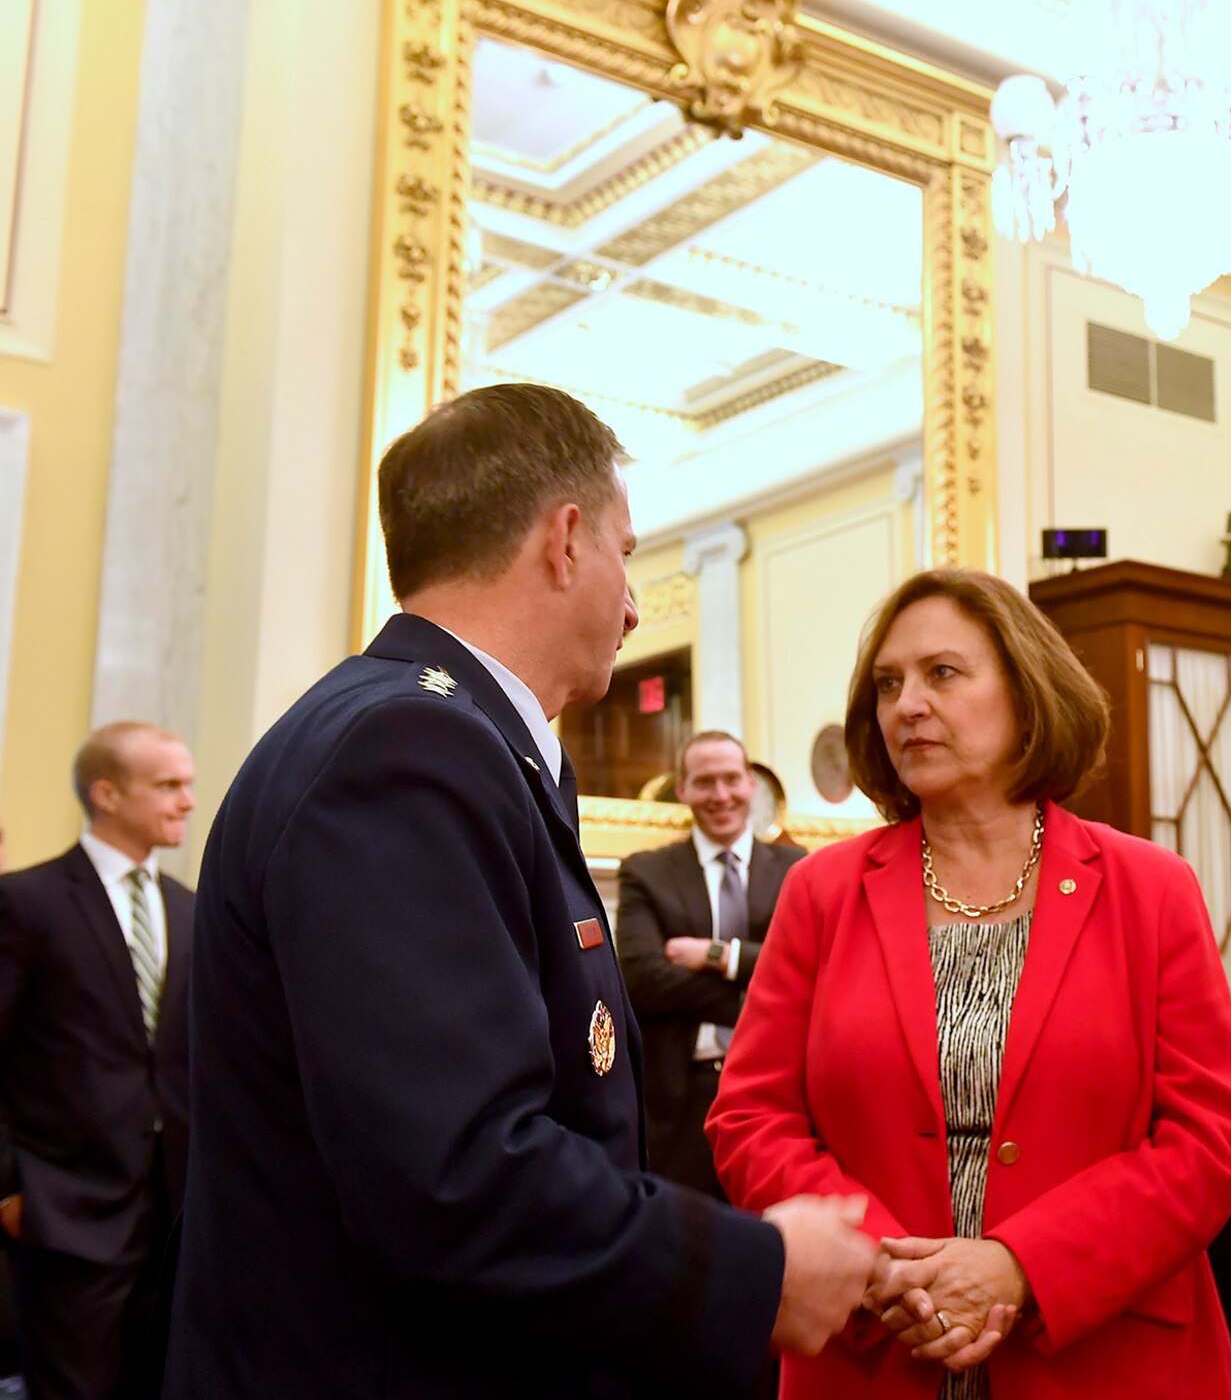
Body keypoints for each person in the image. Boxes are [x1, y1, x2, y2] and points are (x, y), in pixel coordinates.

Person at [164, 383, 874, 1400]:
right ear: (566, 539)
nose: (632, 605)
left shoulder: (435, 735)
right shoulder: (409, 747)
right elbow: (455, 1171)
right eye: (627, 554)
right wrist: (752, 1271)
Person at [707, 568, 1231, 1400]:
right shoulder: (821, 891)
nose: (907, 705)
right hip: (876, 1345)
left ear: (1027, 693)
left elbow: (1207, 1138)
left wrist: (1022, 1264)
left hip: (1105, 1355)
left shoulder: (1151, 886)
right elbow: (752, 1118)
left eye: (943, 673)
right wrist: (890, 1264)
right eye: (888, 684)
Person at [0, 723, 194, 1399]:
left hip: (172, 1214)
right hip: (65, 1213)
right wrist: (9, 1185)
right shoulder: (28, 901)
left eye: (188, 784)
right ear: (107, 793)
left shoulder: (188, 908)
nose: (187, 801)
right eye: (168, 784)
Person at [617, 730, 806, 1198]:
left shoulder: (797, 870)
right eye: (704, 782)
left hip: (778, 1096)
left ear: (752, 785)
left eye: (731, 780)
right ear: (682, 791)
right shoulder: (647, 872)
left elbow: (812, 973)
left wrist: (715, 955)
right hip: (679, 1102)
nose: (720, 796)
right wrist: (758, 995)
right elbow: (642, 979)